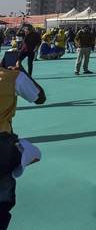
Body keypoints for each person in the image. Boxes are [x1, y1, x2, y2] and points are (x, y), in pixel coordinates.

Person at [0, 64, 46, 229]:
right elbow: (39, 98)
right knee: (2, 197)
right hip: (2, 145)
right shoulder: (12, 77)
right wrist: (23, 72)